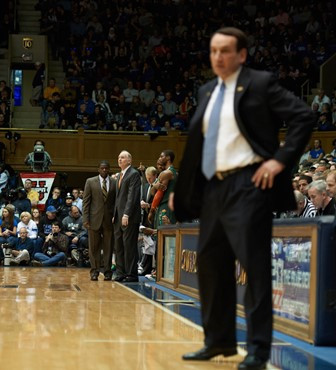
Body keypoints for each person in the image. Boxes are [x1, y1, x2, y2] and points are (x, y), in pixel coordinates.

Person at [171, 27, 314, 369]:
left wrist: (279, 160)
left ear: (242, 54)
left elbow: (303, 116)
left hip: (249, 184)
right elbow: (196, 147)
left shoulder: (260, 83)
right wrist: (182, 190)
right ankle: (218, 341)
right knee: (210, 265)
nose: (218, 57)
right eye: (213, 51)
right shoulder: (206, 91)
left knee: (254, 267)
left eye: (225, 50)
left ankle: (258, 350)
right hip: (213, 189)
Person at [83, 161, 116, 281]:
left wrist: (115, 216)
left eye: (106, 168)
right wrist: (85, 219)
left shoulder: (114, 182)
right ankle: (94, 271)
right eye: (102, 168)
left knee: (108, 247)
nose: (104, 170)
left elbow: (116, 202)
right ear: (98, 169)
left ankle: (107, 272)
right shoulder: (90, 181)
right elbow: (86, 202)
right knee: (94, 247)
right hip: (93, 219)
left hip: (109, 220)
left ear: (109, 169)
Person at [113, 151, 141, 282]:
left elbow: (132, 197)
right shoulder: (120, 175)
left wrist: (126, 214)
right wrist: (115, 214)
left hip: (129, 216)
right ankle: (120, 272)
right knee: (118, 245)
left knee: (129, 245)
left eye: (123, 157)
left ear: (129, 160)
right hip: (118, 216)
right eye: (118, 157)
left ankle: (131, 274)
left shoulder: (134, 174)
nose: (120, 159)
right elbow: (118, 198)